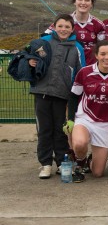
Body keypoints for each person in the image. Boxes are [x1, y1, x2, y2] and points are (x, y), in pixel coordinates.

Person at [30, 14, 85, 179]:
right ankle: (45, 164)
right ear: (54, 26)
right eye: (60, 26)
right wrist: (29, 62)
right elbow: (27, 56)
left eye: (67, 27)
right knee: (45, 130)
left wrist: (76, 96)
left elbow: (81, 73)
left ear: (72, 29)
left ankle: (62, 162)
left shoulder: (77, 47)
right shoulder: (43, 41)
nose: (63, 29)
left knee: (61, 131)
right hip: (42, 93)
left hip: (63, 95)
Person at [69, 40, 108, 182]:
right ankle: (79, 163)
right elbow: (74, 96)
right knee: (80, 143)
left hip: (105, 123)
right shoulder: (85, 72)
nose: (107, 57)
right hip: (85, 118)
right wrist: (70, 119)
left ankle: (89, 161)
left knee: (98, 173)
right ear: (96, 55)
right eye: (103, 54)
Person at [45, 0, 105, 65]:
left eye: (87, 0)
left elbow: (103, 49)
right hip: (67, 69)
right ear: (74, 2)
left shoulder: (99, 25)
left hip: (90, 70)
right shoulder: (63, 21)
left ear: (91, 4)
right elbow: (44, 38)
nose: (83, 3)